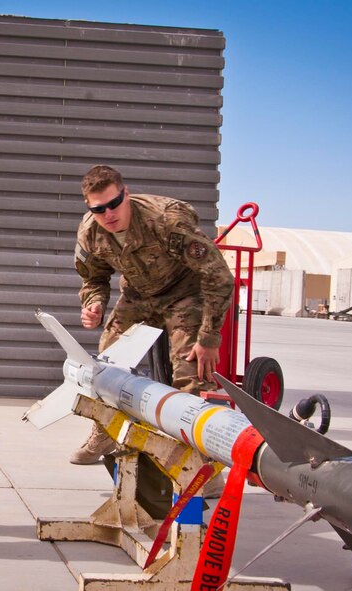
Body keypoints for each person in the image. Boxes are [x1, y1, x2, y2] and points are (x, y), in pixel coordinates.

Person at [70, 164, 235, 465]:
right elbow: (93, 278)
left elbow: (219, 275)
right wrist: (94, 304)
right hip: (139, 295)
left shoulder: (165, 220)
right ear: (89, 206)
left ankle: (200, 463)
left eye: (114, 203)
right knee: (106, 364)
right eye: (99, 209)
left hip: (185, 294)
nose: (109, 214)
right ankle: (105, 432)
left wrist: (209, 338)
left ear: (126, 194)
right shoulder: (90, 232)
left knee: (192, 373)